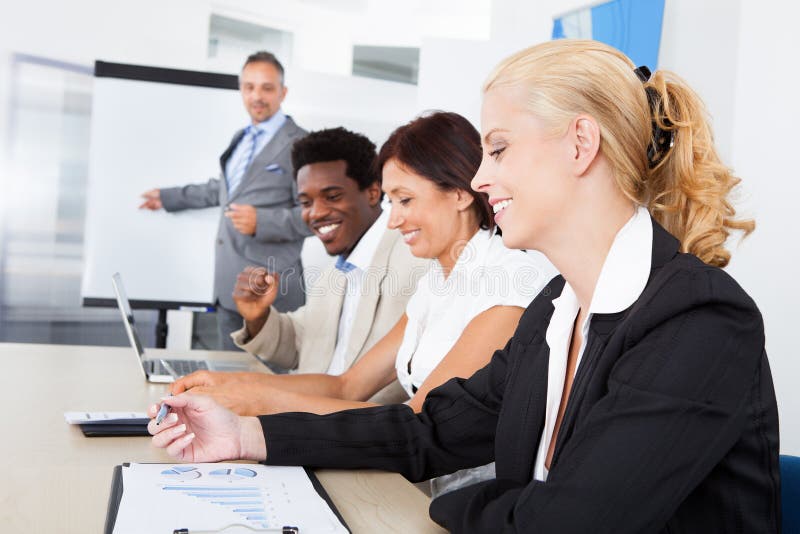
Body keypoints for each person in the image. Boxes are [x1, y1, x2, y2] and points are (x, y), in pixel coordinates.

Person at [149, 40, 780, 533]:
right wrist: (248, 437)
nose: (480, 179)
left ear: (581, 143)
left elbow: (566, 523)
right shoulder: (555, 313)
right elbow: (429, 431)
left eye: (498, 150)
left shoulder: (700, 319)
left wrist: (451, 509)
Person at [169, 112, 550, 423]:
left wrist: (259, 403)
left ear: (460, 193)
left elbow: (421, 419)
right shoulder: (438, 282)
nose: (394, 220)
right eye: (391, 202)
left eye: (405, 200)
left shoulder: (506, 283)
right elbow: (348, 386)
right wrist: (231, 385)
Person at [185, 126, 428, 401]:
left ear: (373, 193)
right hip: (308, 418)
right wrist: (258, 316)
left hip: (354, 430)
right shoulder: (335, 272)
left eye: (332, 196)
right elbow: (303, 344)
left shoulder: (417, 261)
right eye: (305, 202)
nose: (316, 213)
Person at [139, 51, 310, 350]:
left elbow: (316, 214)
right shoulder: (241, 138)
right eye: (249, 87)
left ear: (283, 92)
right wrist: (169, 198)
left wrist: (263, 221)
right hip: (230, 287)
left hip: (272, 292)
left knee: (271, 389)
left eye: (267, 88)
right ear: (241, 89)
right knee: (228, 383)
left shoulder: (302, 144)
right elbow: (224, 189)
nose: (257, 96)